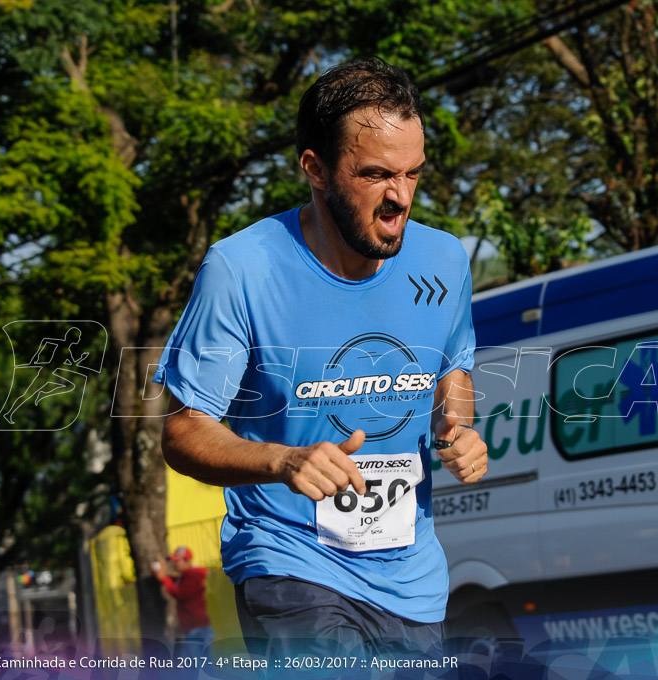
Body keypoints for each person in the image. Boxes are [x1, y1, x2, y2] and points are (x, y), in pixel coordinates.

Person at [155, 56, 487, 657]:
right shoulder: (243, 268)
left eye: (413, 175)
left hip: (412, 578)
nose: (400, 198)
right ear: (315, 168)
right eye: (377, 175)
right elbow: (182, 432)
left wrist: (456, 428)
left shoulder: (444, 261)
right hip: (290, 563)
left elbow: (452, 368)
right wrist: (284, 461)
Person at [152, 546, 212, 648]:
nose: (175, 563)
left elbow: (181, 594)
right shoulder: (185, 576)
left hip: (197, 629)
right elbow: (175, 581)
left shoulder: (193, 575)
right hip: (192, 628)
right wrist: (162, 573)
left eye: (177, 561)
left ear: (187, 561)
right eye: (174, 561)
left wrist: (163, 577)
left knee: (197, 663)